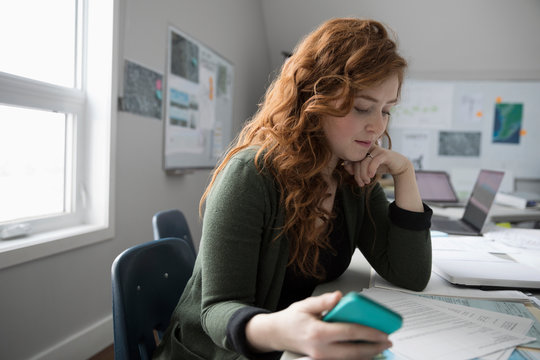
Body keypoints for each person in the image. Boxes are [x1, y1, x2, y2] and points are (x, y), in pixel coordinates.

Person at [154, 17, 432, 360]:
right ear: (316, 98)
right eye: (362, 107)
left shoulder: (353, 176)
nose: (377, 126)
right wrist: (287, 332)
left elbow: (411, 275)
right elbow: (216, 310)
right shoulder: (250, 175)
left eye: (387, 111)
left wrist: (405, 174)